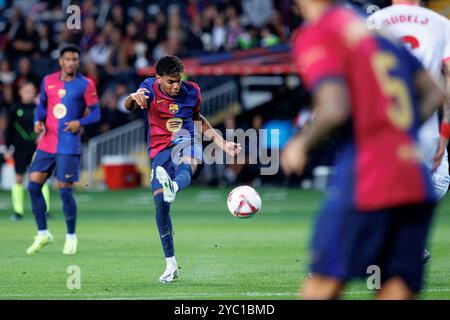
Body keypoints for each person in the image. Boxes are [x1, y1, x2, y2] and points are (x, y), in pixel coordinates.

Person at [281, 0, 446, 299]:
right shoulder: (377, 32)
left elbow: (334, 108)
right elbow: (435, 92)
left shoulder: (319, 33)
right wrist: (399, 132)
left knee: (323, 283)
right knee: (397, 286)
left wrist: (300, 144)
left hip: (368, 175)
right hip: (414, 175)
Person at [124, 55, 241, 283]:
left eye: (178, 80)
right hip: (159, 150)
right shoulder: (148, 88)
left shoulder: (192, 91)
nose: (176, 85)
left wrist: (222, 143)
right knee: (160, 205)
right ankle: (171, 265)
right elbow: (129, 105)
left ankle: (174, 185)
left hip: (186, 140)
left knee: (189, 160)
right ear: (158, 78)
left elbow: (198, 119)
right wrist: (132, 97)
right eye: (170, 81)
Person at [367, 0, 450, 264]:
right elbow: (446, 79)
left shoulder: (373, 22)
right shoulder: (441, 24)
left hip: (380, 123)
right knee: (430, 183)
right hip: (423, 126)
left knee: (419, 185)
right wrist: (445, 128)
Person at [26, 44, 101, 255]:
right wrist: (37, 120)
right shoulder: (47, 81)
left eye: (75, 59)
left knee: (64, 190)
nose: (71, 63)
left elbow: (96, 113)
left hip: (68, 144)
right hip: (47, 143)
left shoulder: (85, 84)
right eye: (67, 59)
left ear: (79, 62)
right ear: (61, 61)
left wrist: (80, 122)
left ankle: (71, 236)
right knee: (33, 187)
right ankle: (43, 233)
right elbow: (41, 105)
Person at [5, 81, 51, 222]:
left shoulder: (39, 108)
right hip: (19, 149)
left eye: (31, 91)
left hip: (37, 148)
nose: (29, 93)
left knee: (40, 177)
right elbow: (9, 130)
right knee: (18, 178)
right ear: (20, 92)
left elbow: (47, 126)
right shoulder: (14, 109)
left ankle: (45, 209)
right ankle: (18, 211)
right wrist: (8, 148)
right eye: (26, 90)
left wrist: (43, 137)